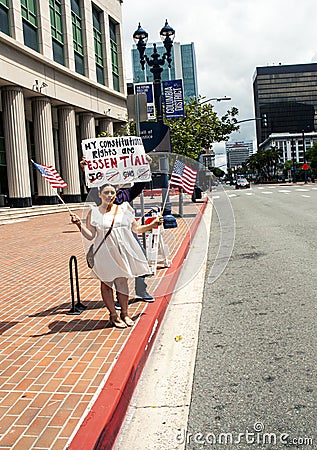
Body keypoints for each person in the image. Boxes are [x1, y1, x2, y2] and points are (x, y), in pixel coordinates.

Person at [71, 184, 163, 328]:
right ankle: (113, 315)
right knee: (106, 284)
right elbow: (90, 236)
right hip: (104, 253)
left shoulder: (124, 208)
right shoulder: (93, 212)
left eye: (112, 193)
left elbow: (136, 228)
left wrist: (153, 224)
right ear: (100, 194)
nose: (109, 195)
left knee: (122, 283)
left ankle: (125, 313)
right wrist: (78, 225)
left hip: (121, 252)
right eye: (106, 192)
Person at [80, 156, 155, 303]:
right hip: (109, 238)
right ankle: (119, 296)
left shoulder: (126, 194)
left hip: (127, 234)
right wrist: (86, 170)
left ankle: (141, 290)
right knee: (114, 264)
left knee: (141, 257)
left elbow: (141, 183)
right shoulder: (100, 195)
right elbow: (90, 185)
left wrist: (146, 165)